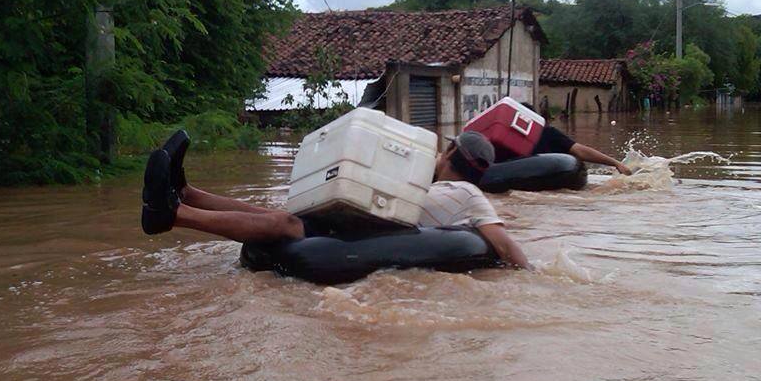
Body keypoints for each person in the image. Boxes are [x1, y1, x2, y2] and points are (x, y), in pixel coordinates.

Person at [141, 129, 530, 268]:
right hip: (359, 216)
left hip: (366, 234)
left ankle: (172, 215)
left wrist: (533, 276)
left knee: (285, 224)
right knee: (278, 214)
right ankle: (188, 194)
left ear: (448, 154)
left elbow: (501, 240)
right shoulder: (424, 181)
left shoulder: (472, 196)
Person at [522, 103, 633, 175]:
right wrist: (616, 163)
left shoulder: (547, 134)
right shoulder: (548, 133)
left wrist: (615, 163)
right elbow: (579, 150)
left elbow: (580, 151)